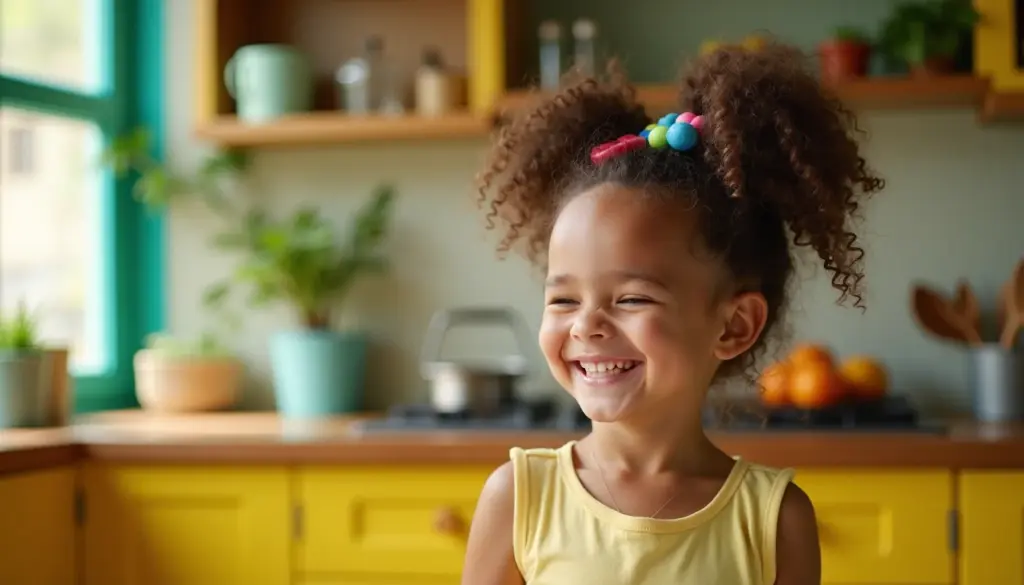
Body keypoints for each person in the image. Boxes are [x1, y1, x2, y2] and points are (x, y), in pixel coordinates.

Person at [461, 42, 884, 585]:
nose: (586, 325)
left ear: (733, 326)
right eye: (563, 299)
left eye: (631, 298)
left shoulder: (776, 521)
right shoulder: (518, 499)